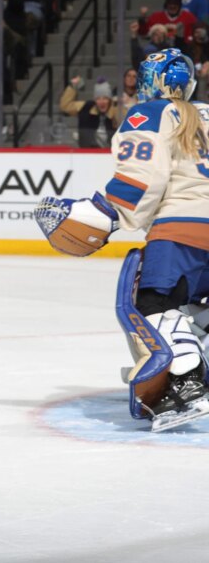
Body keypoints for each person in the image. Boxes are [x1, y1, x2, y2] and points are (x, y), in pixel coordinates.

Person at [35, 48, 209, 432]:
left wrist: (105, 213)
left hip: (181, 230)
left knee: (153, 304)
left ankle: (187, 381)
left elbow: (143, 178)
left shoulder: (150, 113)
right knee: (197, 306)